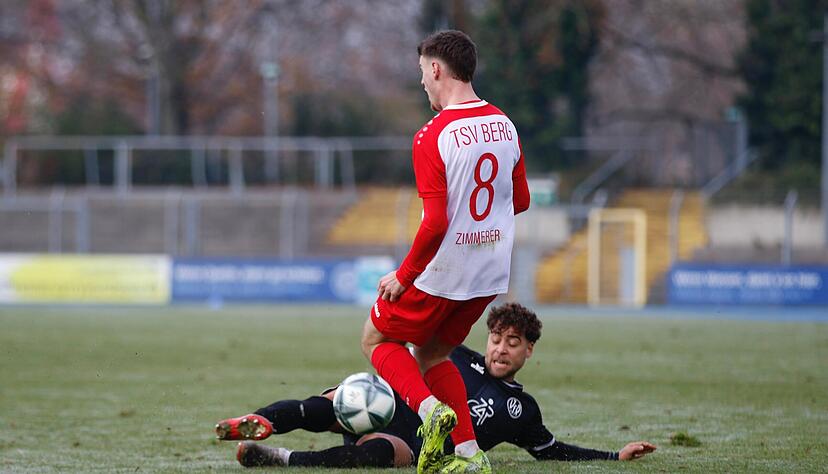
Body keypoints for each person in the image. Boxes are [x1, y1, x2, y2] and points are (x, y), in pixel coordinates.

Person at [359, 29, 531, 474]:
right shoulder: (505, 124)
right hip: (488, 275)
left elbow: (435, 222)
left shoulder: (432, 136)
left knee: (376, 338)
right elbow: (522, 200)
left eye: (422, 73)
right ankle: (472, 456)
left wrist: (404, 274)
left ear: (436, 68)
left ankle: (430, 410)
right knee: (434, 355)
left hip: (442, 271)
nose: (421, 83)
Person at [216, 303, 657, 469]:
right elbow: (404, 352)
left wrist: (613, 455)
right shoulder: (451, 355)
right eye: (497, 339)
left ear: (529, 352)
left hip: (407, 441)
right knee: (331, 404)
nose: (501, 350)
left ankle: (277, 458)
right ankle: (261, 421)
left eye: (514, 343)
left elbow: (552, 450)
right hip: (387, 404)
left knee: (380, 454)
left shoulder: (520, 410)